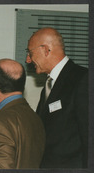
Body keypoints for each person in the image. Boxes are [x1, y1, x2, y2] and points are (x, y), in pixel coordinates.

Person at [26, 27, 88, 168]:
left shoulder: (82, 79)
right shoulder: (49, 86)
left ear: (46, 50)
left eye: (30, 53)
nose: (28, 60)